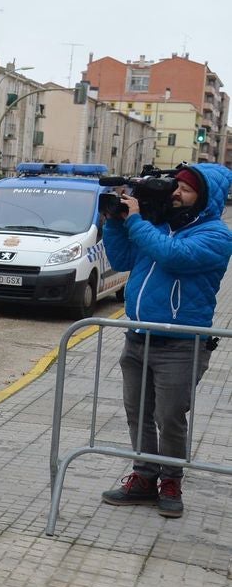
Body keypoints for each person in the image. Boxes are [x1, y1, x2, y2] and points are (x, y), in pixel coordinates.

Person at [100, 164, 232, 518]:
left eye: (186, 190)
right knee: (138, 413)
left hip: (180, 346)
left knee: (169, 417)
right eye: (176, 187)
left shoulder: (216, 235)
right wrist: (114, 220)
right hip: (138, 338)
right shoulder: (158, 226)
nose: (176, 193)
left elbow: (173, 257)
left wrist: (137, 222)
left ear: (204, 198)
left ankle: (170, 481)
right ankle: (144, 478)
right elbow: (122, 259)